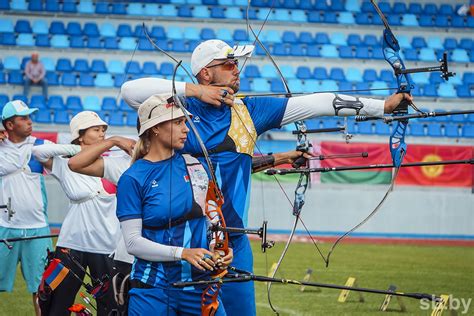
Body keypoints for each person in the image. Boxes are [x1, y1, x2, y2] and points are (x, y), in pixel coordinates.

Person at [121, 39, 413, 315]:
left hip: (230, 243)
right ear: (206, 74)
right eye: (228, 64)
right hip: (179, 242)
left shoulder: (249, 111)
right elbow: (130, 91)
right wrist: (196, 92)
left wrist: (383, 107)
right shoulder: (178, 111)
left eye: (236, 64)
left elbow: (317, 103)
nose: (237, 70)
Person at [116, 93, 233, 315]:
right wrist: (183, 253)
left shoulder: (195, 165)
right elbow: (132, 243)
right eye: (178, 122)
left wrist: (221, 248)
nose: (186, 129)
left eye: (185, 122)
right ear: (155, 128)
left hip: (200, 288)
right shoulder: (133, 178)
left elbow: (212, 218)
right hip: (152, 289)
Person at [31, 111, 121, 315]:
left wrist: (99, 148)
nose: (102, 134)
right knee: (56, 303)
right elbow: (39, 152)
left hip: (106, 245)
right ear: (80, 135)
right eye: (96, 130)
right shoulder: (64, 163)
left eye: (104, 131)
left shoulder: (111, 163)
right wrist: (81, 149)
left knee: (110, 307)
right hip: (72, 243)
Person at [0, 100, 52, 316]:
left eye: (30, 117)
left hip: (38, 228)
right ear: (9, 125)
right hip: (4, 227)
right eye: (23, 118)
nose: (30, 122)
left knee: (42, 290)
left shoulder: (40, 145)